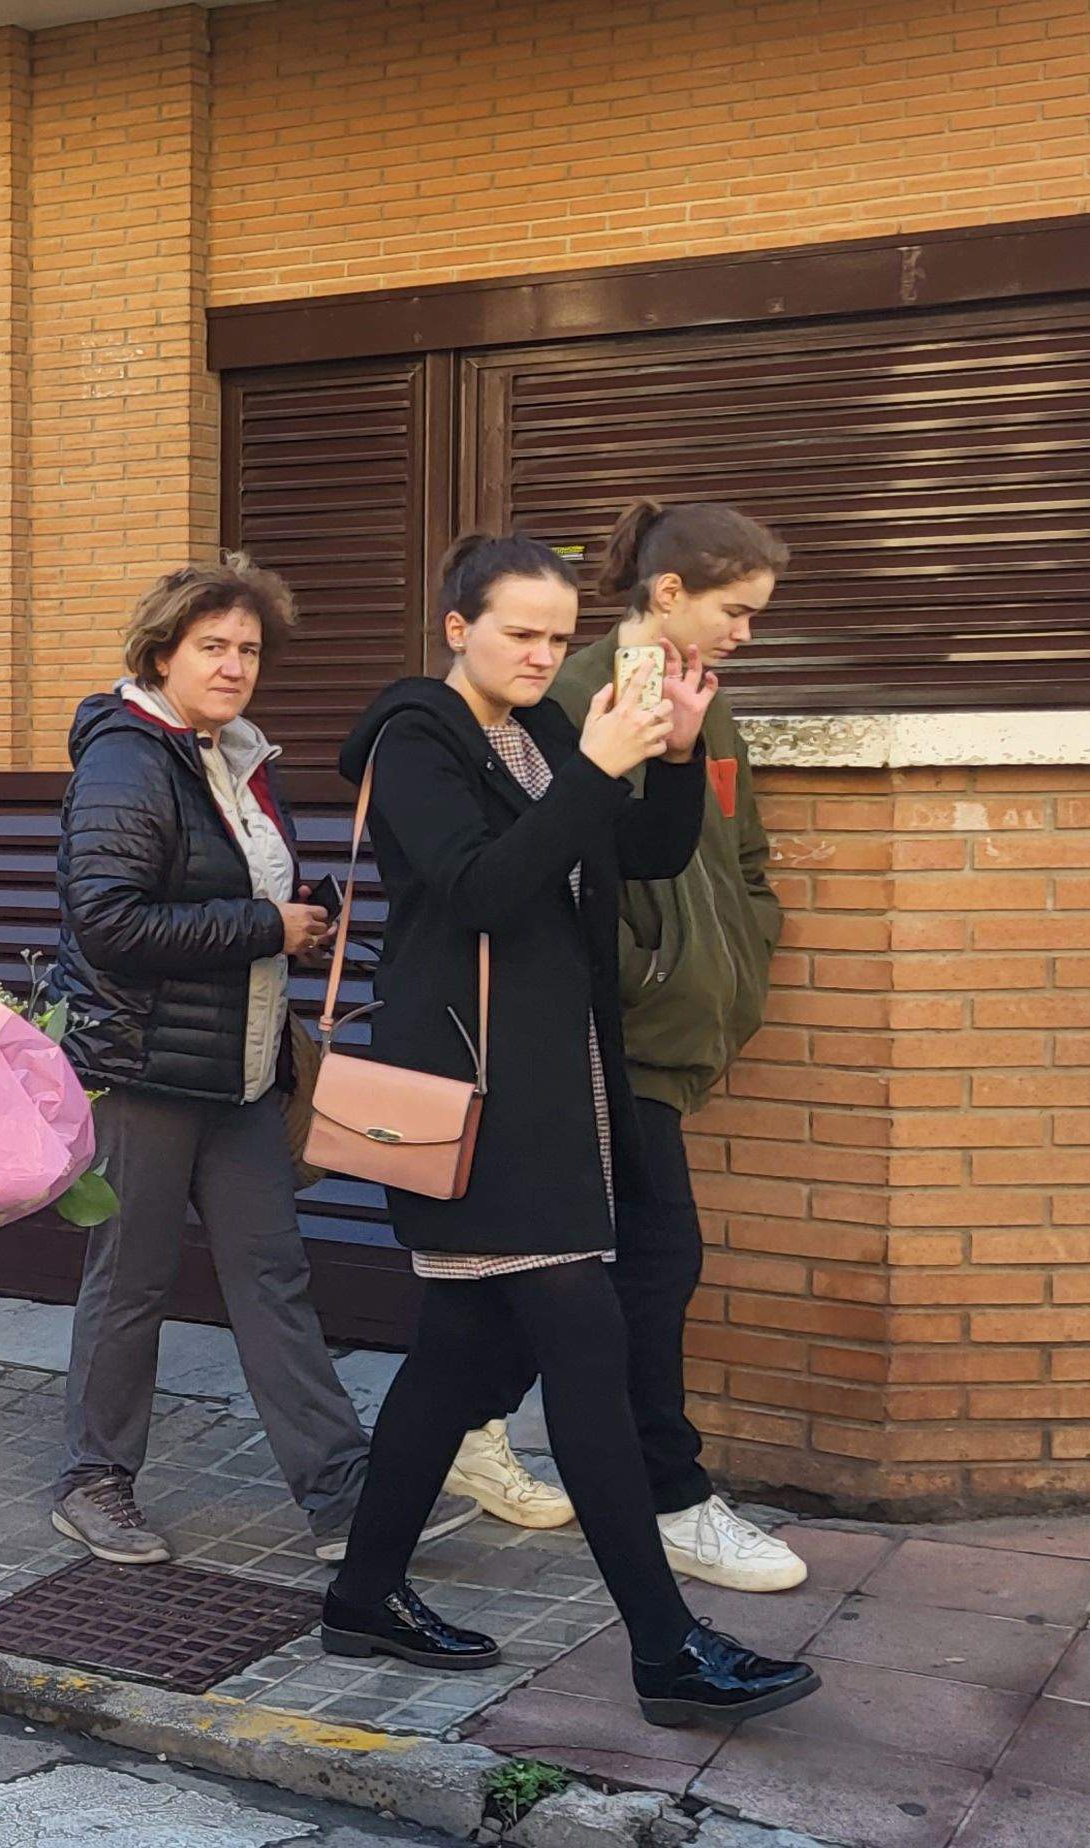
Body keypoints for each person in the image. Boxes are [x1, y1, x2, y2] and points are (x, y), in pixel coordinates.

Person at [319, 534, 816, 1730]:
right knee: (585, 1349)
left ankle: (360, 1595)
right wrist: (595, 765)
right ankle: (665, 1650)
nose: (543, 654)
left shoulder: (543, 732)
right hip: (477, 1103)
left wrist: (677, 755)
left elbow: (637, 855)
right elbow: (479, 888)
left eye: (555, 635)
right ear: (456, 627)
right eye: (519, 634)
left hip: (564, 1089)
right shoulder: (413, 739)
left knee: (450, 1369)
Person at [39, 559, 475, 1567]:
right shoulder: (125, 759)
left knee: (273, 1276)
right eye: (212, 647)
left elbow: (228, 896)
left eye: (248, 650)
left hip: (240, 1072)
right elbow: (106, 922)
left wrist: (298, 928)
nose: (235, 665)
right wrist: (259, 925)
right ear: (161, 654)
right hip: (142, 1070)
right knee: (130, 1282)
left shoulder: (233, 755)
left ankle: (340, 1495)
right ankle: (93, 1481)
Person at [438, 502, 808, 1590]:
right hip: (600, 1030)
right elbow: (528, 869)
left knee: (554, 1266)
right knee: (655, 1259)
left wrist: (749, 935)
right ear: (668, 594)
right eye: (733, 611)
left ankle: (461, 1429)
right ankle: (668, 1495)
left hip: (665, 1026)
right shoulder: (565, 694)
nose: (745, 634)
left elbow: (729, 846)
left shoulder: (705, 700)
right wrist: (645, 968)